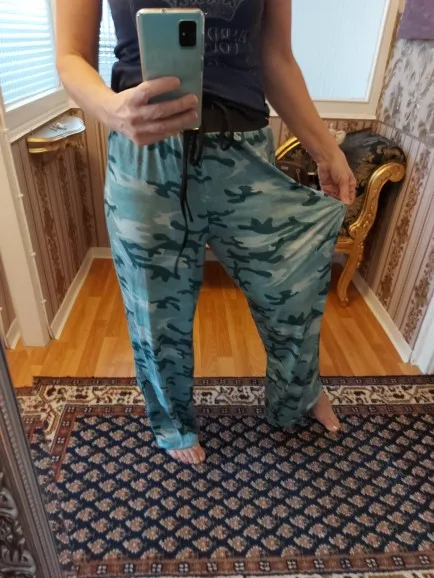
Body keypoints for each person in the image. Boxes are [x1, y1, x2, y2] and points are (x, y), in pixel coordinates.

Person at [56, 0, 356, 465]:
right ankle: (173, 423)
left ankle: (298, 392)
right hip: (146, 154)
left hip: (246, 150)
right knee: (155, 309)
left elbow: (276, 57)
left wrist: (326, 152)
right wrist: (113, 111)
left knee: (292, 286)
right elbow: (70, 55)